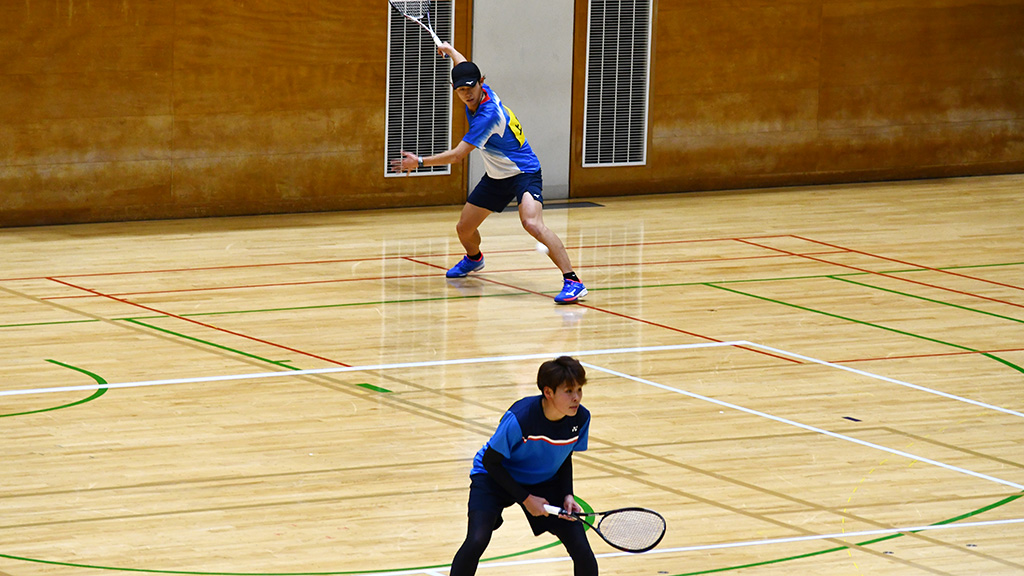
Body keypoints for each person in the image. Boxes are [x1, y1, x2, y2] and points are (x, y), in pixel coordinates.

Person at [390, 42, 588, 305]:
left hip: (524, 172)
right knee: (464, 229)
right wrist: (449, 51)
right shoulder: (473, 87)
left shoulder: (488, 115)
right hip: (497, 176)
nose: (467, 94)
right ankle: (474, 259)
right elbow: (462, 66)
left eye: (470, 88)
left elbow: (458, 155)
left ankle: (573, 281)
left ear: (481, 83)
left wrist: (421, 161)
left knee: (532, 223)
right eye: (460, 90)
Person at [448, 356, 598, 576]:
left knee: (581, 548)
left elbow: (565, 455)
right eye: (568, 391)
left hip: (543, 480)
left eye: (579, 390)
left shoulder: (581, 418)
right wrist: (527, 499)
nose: (576, 398)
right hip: (495, 476)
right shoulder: (521, 418)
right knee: (477, 539)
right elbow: (491, 461)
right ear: (548, 392)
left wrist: (567, 494)